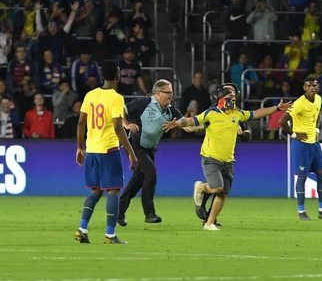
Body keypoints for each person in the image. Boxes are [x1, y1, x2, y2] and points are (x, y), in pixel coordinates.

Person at [163, 85, 292, 230]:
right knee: (218, 187)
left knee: (223, 193)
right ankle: (200, 187)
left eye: (234, 97)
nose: (233, 99)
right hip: (211, 158)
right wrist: (177, 123)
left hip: (229, 161)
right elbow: (192, 120)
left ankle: (209, 223)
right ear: (221, 99)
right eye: (230, 97)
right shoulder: (211, 113)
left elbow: (257, 113)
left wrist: (277, 108)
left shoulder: (237, 114)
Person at [74, 60, 139, 245]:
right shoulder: (116, 98)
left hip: (92, 149)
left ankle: (82, 229)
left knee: (95, 191)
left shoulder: (90, 95)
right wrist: (130, 153)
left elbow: (80, 123)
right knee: (113, 191)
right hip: (108, 149)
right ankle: (110, 235)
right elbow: (118, 128)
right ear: (118, 76)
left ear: (102, 76)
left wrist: (80, 147)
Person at [117, 80, 184, 226]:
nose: (171, 95)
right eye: (168, 92)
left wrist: (187, 125)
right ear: (158, 93)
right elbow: (119, 111)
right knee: (151, 173)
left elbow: (185, 122)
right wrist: (127, 124)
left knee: (138, 181)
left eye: (172, 93)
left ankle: (119, 211)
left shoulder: (171, 110)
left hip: (149, 149)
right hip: (136, 146)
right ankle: (149, 213)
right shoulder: (143, 104)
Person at [278, 76, 322, 221]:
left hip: (314, 145)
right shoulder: (299, 103)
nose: (312, 88)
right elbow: (282, 121)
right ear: (304, 88)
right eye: (309, 86)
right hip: (301, 145)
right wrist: (294, 134)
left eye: (314, 86)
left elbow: (316, 116)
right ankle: (301, 212)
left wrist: (316, 131)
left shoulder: (318, 99)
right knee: (302, 178)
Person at [193, 83, 251, 226]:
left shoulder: (237, 112)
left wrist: (244, 133)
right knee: (217, 188)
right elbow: (203, 124)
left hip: (227, 156)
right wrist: (197, 127)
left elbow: (246, 133)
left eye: (233, 92)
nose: (231, 94)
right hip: (213, 154)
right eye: (228, 91)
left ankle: (210, 218)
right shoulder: (213, 110)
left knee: (221, 190)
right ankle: (203, 204)